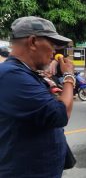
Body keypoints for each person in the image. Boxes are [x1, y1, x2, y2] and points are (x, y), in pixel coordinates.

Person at [0, 16, 74, 177]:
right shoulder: (11, 75)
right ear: (33, 42)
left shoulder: (25, 73)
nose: (55, 51)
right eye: (52, 44)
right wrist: (69, 76)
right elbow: (60, 114)